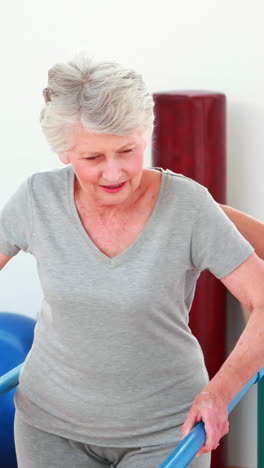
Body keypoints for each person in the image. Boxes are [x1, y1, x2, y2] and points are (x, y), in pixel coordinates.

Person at [1, 53, 264, 468]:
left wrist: (220, 392)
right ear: (64, 153)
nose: (114, 173)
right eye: (92, 158)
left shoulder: (189, 206)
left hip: (167, 432)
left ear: (147, 134)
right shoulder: (37, 198)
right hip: (48, 428)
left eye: (127, 150)